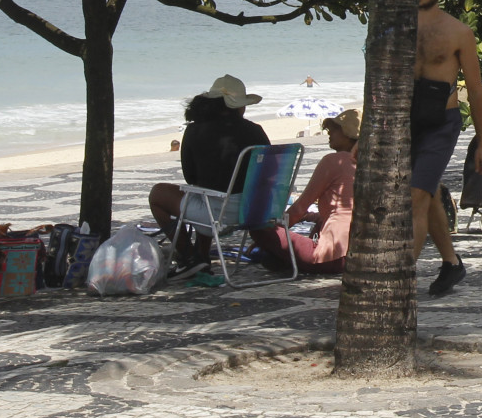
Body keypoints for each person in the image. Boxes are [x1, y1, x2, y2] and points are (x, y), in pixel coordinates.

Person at [414, 0, 482, 296]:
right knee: (427, 196)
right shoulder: (395, 27)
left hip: (441, 123)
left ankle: (398, 281)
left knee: (415, 197)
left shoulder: (459, 32)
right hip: (402, 122)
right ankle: (451, 264)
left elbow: (475, 90)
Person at [148, 75, 270, 273]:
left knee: (159, 194)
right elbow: (267, 173)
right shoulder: (255, 130)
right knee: (206, 194)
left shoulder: (195, 131)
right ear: (237, 106)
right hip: (255, 210)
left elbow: (191, 177)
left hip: (217, 214)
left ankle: (189, 256)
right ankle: (200, 255)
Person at [252, 108, 358, 276]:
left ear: (349, 134)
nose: (329, 132)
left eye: (335, 129)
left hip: (330, 257)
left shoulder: (334, 161)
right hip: (357, 256)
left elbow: (298, 208)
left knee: (257, 226)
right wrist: (310, 216)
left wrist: (270, 235)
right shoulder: (368, 162)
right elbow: (347, 210)